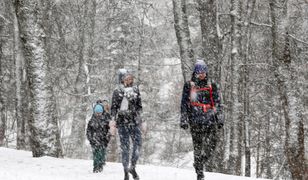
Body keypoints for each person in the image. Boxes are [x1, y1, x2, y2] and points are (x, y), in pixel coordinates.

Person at [180, 60, 224, 180]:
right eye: (199, 72)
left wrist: (220, 118)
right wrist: (183, 119)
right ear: (195, 72)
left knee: (213, 143)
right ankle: (200, 173)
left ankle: (200, 162)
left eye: (204, 72)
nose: (202, 75)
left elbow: (218, 103)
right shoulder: (189, 85)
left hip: (210, 119)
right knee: (198, 146)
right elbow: (184, 103)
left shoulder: (212, 85)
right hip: (195, 120)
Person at [111, 69, 143, 180]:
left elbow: (139, 106)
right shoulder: (117, 91)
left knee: (138, 144)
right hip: (122, 123)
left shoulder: (135, 89)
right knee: (125, 148)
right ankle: (125, 171)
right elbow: (113, 109)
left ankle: (132, 167)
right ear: (121, 79)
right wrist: (113, 122)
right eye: (126, 78)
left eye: (130, 78)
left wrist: (138, 116)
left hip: (134, 122)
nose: (129, 80)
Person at [86, 103, 111, 173]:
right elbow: (88, 131)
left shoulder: (105, 121)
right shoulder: (91, 121)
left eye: (99, 113)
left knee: (101, 153)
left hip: (103, 141)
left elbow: (108, 131)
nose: (98, 114)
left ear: (102, 112)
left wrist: (107, 139)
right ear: (94, 112)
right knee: (96, 154)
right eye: (97, 113)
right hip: (94, 140)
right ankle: (96, 167)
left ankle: (100, 165)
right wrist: (90, 139)